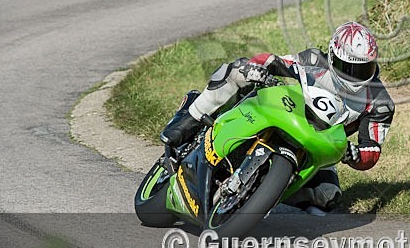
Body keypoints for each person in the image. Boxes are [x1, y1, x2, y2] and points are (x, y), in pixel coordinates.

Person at [159, 21, 395, 215]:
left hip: (318, 145)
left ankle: (266, 194)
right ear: (332, 56)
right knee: (238, 71)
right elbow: (275, 61)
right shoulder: (314, 61)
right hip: (285, 112)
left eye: (364, 69)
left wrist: (354, 155)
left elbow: (372, 150)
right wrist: (256, 67)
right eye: (348, 68)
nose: (355, 77)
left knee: (327, 197)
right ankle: (188, 120)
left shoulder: (380, 103)